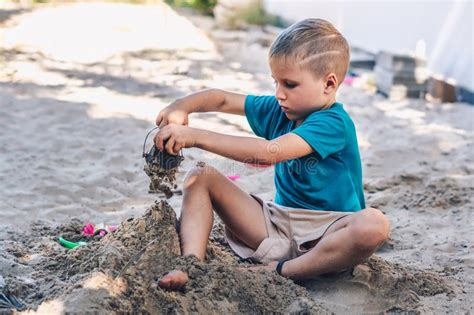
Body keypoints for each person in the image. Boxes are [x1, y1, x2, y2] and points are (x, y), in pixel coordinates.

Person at [154, 18, 390, 290]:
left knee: (374, 224)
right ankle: (190, 264)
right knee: (200, 177)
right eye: (275, 82)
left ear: (328, 84)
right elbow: (223, 99)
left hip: (327, 238)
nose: (279, 94)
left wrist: (195, 137)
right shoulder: (281, 110)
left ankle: (285, 270)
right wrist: (182, 106)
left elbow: (269, 153)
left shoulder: (333, 123)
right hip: (275, 228)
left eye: (289, 84)